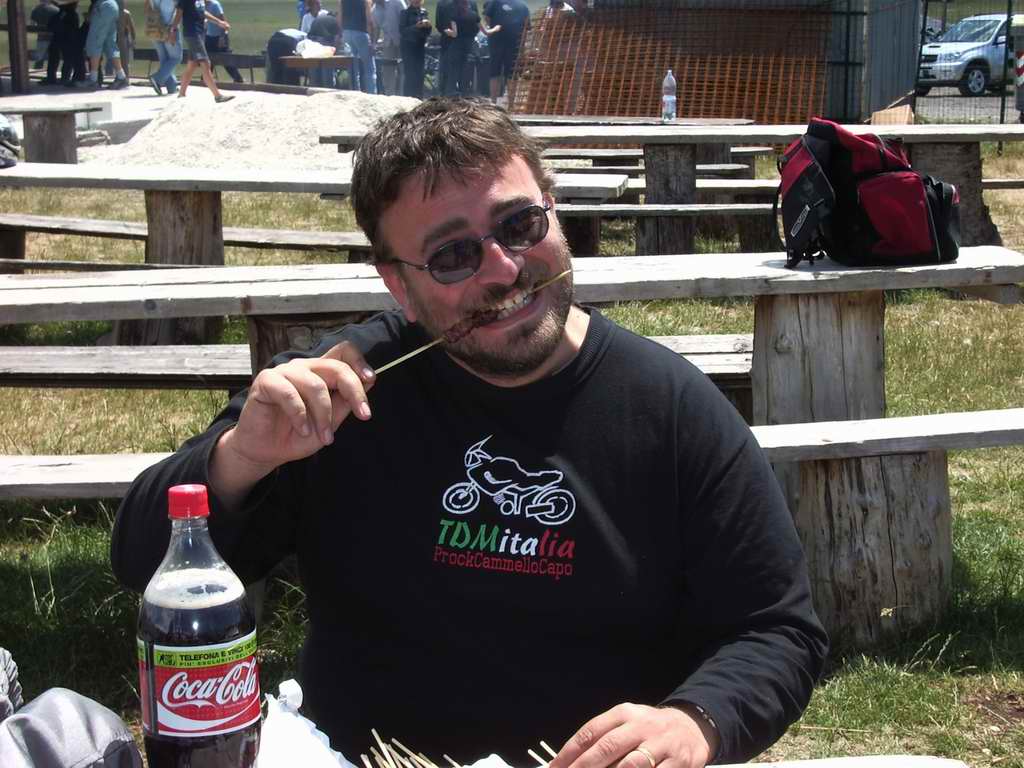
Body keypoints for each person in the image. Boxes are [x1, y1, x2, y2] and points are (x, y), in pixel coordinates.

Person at [111, 98, 828, 766]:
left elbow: (777, 629)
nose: (504, 270)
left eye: (521, 225)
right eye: (453, 255)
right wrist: (241, 458)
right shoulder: (342, 393)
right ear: (398, 285)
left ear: (555, 213)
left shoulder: (670, 408)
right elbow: (142, 559)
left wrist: (695, 721)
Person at [171, 0, 235, 102]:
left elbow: (202, 12)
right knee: (206, 63)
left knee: (192, 64)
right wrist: (173, 31)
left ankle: (181, 94)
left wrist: (219, 22)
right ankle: (217, 96)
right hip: (192, 34)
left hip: (200, 33)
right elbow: (178, 15)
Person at [481, 0, 528, 101]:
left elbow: (526, 26)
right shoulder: (495, 2)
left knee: (512, 74)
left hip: (514, 44)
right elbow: (486, 17)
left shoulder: (523, 5)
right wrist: (494, 29)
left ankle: (510, 104)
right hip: (496, 43)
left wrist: (522, 46)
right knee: (495, 72)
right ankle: (493, 102)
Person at [83, 0, 127, 88]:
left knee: (95, 42)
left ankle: (93, 80)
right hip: (112, 6)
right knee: (109, 43)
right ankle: (121, 76)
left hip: (103, 7)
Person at [442, 0, 479, 96]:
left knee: (453, 71)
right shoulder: (474, 15)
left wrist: (447, 31)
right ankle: (465, 92)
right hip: (469, 45)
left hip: (456, 45)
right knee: (465, 71)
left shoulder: (454, 14)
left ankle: (451, 93)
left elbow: (455, 34)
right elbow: (478, 29)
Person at [340, 0, 376, 93]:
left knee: (352, 68)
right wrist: (373, 41)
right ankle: (371, 93)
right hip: (361, 33)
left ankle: (354, 92)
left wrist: (341, 35)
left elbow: (340, 18)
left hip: (346, 33)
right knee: (369, 68)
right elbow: (369, 20)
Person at [205, 0, 244, 83]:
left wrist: (222, 37)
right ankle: (206, 79)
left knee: (225, 60)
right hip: (209, 36)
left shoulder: (215, 5)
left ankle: (238, 79)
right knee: (208, 59)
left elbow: (224, 22)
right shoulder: (201, 5)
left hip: (220, 36)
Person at [147, 0, 181, 94]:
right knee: (176, 58)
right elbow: (177, 12)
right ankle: (157, 78)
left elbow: (147, 9)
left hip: (154, 28)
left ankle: (171, 87)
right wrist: (173, 30)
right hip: (168, 29)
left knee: (164, 59)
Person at [399, 0, 430, 97]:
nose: (416, 1)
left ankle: (419, 97)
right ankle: (408, 96)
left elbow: (427, 32)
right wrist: (416, 27)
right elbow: (402, 31)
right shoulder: (405, 12)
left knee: (420, 73)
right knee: (410, 74)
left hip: (420, 45)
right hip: (408, 46)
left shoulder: (424, 12)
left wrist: (428, 26)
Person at [30, 0, 58, 69]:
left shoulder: (36, 9)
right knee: (54, 57)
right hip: (54, 38)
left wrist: (38, 32)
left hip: (41, 38)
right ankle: (51, 73)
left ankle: (37, 70)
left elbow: (32, 25)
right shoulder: (56, 10)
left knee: (39, 58)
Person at [434, 0, 453, 94]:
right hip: (449, 40)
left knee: (446, 67)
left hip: (457, 41)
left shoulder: (441, 3)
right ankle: (445, 92)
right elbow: (438, 24)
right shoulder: (441, 3)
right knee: (446, 68)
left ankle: (445, 91)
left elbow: (438, 24)